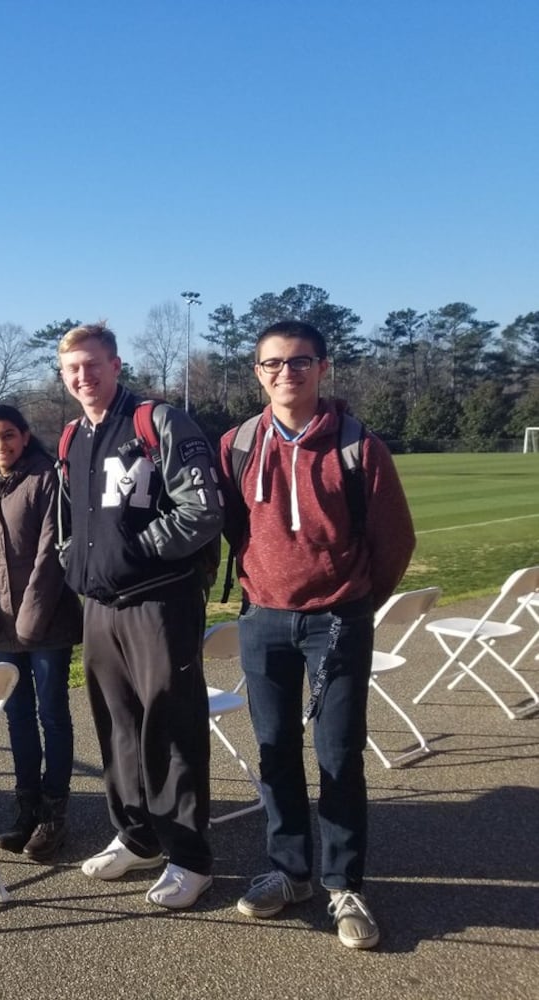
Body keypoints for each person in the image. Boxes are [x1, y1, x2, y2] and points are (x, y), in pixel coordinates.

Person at [220, 320, 414, 950]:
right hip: (262, 618)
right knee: (274, 750)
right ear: (258, 373)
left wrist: (356, 603)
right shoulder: (238, 445)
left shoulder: (359, 445)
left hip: (339, 620)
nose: (285, 373)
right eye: (272, 364)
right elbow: (228, 526)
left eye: (299, 361)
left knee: (338, 755)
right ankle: (288, 870)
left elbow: (396, 542)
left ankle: (344, 883)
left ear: (323, 367)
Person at [57, 322, 221, 909]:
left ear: (116, 364)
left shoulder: (159, 422)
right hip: (100, 607)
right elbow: (68, 522)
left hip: (160, 602)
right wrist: (75, 565)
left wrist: (134, 554)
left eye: (93, 365)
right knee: (117, 728)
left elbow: (202, 510)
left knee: (170, 728)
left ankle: (190, 857)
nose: (84, 377)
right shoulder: (73, 435)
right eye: (73, 369)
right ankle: (138, 837)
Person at [0, 404, 81, 861]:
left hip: (47, 623)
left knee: (52, 714)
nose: (0, 445)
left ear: (25, 436)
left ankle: (54, 813)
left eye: (8, 436)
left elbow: (52, 552)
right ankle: (26, 807)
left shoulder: (47, 478)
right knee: (17, 718)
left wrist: (29, 621)